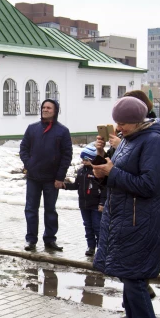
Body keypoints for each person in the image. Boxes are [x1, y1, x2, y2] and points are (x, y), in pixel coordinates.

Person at [92, 96, 160, 318]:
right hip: (124, 219)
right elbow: (120, 173)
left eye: (123, 123)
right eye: (117, 122)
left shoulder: (155, 142)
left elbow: (150, 185)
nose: (119, 127)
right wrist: (103, 169)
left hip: (141, 222)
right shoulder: (130, 139)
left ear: (138, 121)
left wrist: (112, 173)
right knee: (129, 282)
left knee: (136, 283)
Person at [19, 99, 72, 252]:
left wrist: (60, 177)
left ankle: (50, 239)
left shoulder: (62, 131)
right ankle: (31, 240)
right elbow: (24, 148)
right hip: (34, 178)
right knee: (31, 209)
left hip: (52, 179)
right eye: (43, 107)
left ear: (55, 111)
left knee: (50, 210)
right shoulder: (32, 128)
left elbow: (66, 156)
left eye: (49, 107)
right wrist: (29, 165)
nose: (45, 109)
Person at [62, 145, 106, 256]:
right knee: (88, 226)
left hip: (96, 205)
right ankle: (90, 246)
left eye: (87, 159)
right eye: (83, 159)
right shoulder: (81, 171)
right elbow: (77, 185)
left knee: (97, 226)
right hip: (84, 204)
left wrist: (102, 202)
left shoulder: (97, 172)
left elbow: (104, 188)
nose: (84, 161)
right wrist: (65, 186)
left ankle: (102, 248)